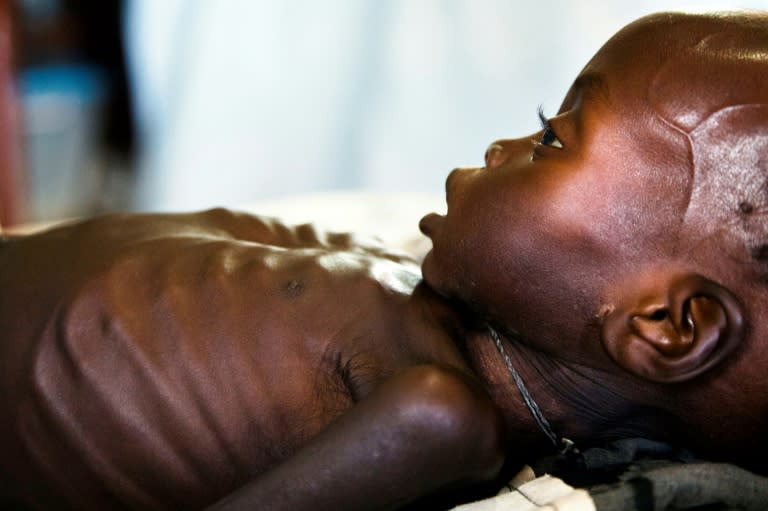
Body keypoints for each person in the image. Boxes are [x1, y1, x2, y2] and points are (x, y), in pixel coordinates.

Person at [1, 10, 767, 511]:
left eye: (551, 141)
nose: (502, 147)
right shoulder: (429, 310)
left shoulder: (440, 415)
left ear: (667, 323)